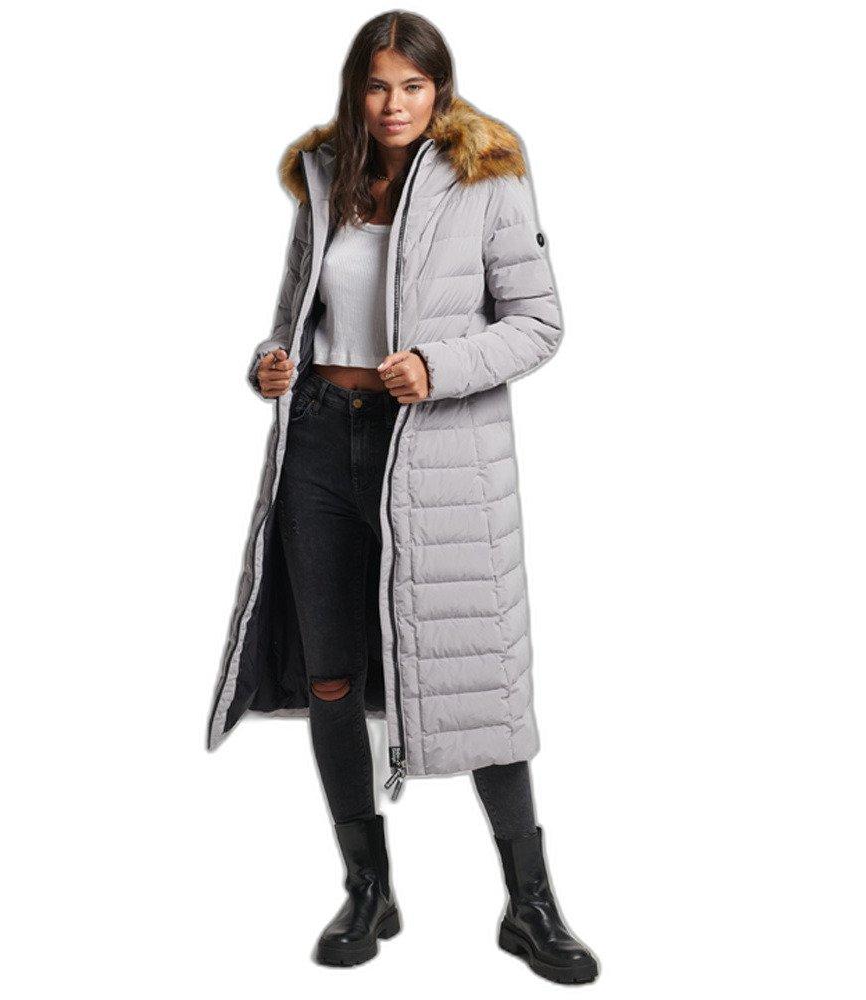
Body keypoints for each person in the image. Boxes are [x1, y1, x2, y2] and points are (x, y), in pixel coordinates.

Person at [207, 11, 599, 983]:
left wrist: (437, 363)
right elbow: (299, 308)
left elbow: (539, 322)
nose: (394, 105)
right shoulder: (324, 175)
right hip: (315, 443)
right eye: (378, 86)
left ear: (439, 90)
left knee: (476, 677)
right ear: (357, 89)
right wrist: (272, 360)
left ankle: (530, 905)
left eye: (412, 87)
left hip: (431, 450)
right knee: (332, 673)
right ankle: (367, 889)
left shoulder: (487, 173)